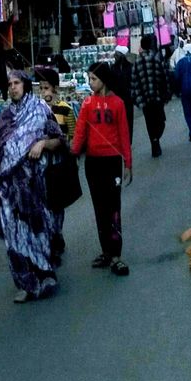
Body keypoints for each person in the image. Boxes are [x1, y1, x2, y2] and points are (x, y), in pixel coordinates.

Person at [0, 70, 63, 303]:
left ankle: (44, 274)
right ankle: (25, 283)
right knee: (13, 235)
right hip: (7, 185)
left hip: (34, 183)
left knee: (37, 230)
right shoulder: (3, 117)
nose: (13, 87)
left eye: (17, 83)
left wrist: (42, 143)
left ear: (26, 85)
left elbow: (59, 140)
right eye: (10, 84)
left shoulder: (40, 110)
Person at [71, 62, 132, 277]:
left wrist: (128, 164)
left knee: (113, 207)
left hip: (112, 161)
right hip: (93, 163)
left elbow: (124, 135)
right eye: (89, 79)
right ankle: (106, 251)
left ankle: (116, 254)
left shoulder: (118, 104)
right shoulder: (87, 103)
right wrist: (74, 154)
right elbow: (79, 132)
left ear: (104, 80)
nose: (90, 83)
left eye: (94, 79)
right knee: (99, 208)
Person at [35, 66, 75, 265]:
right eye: (41, 88)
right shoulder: (34, 113)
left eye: (47, 88)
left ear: (56, 89)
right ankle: (50, 241)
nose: (44, 93)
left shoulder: (65, 110)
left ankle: (57, 235)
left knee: (57, 205)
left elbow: (73, 138)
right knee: (45, 205)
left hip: (59, 165)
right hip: (42, 166)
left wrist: (59, 143)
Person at [131, 34, 171, 157]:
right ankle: (156, 140)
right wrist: (167, 93)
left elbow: (134, 81)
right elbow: (165, 77)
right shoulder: (157, 58)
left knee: (150, 122)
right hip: (157, 97)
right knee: (160, 120)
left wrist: (136, 98)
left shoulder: (136, 62)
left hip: (145, 99)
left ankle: (154, 142)